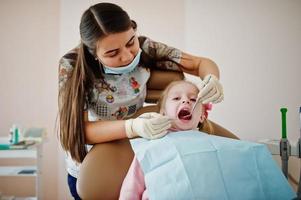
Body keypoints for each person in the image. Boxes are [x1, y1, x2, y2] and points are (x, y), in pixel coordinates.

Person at [58, 2, 223, 199]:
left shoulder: (145, 47)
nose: (127, 56)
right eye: (112, 53)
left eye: (130, 43)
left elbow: (199, 64)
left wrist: (211, 78)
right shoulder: (72, 66)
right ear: (93, 53)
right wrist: (132, 127)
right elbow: (78, 130)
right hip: (92, 168)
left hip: (133, 158)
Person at [119, 80, 213, 200]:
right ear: (163, 113)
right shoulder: (152, 145)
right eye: (176, 98)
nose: (185, 101)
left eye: (194, 99)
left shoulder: (212, 145)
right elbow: (132, 186)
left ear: (202, 116)